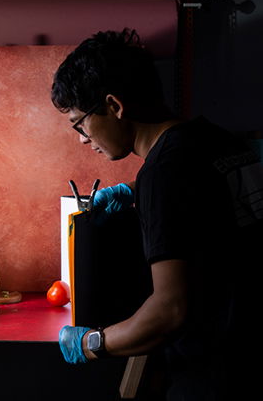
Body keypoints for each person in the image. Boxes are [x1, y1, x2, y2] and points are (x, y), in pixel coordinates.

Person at [52, 28, 262, 400]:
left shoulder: (163, 174)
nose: (83, 139)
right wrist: (131, 191)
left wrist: (92, 343)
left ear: (114, 106)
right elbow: (207, 195)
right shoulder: (212, 137)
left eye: (80, 124)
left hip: (217, 373)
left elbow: (170, 310)